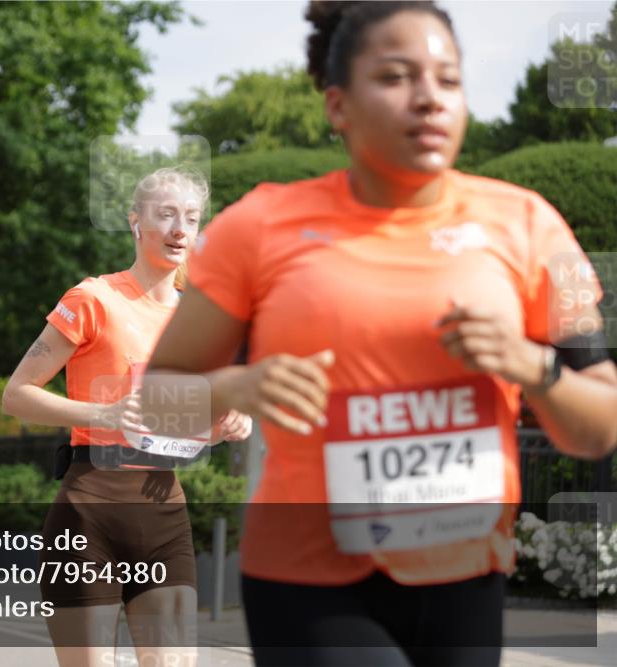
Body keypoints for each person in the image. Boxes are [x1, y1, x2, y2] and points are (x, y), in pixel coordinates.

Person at [141, 2, 617, 666]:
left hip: (466, 576)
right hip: (308, 583)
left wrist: (533, 365)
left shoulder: (532, 225)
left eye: (449, 80)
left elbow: (600, 427)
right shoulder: (258, 226)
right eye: (395, 77)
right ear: (338, 105)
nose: (428, 98)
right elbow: (154, 401)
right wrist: (236, 387)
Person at [2, 167, 252, 667]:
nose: (180, 229)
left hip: (164, 516)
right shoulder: (94, 299)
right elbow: (16, 395)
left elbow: (196, 420)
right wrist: (105, 412)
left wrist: (228, 424)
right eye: (166, 215)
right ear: (136, 221)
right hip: (88, 512)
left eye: (191, 218)